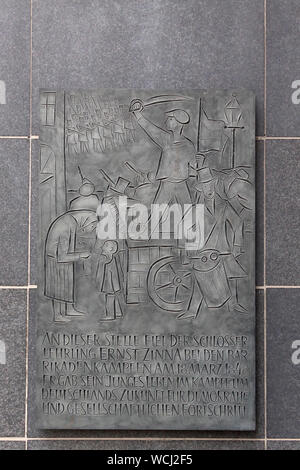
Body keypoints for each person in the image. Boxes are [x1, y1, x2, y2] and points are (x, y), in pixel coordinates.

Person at [44, 210, 98, 322]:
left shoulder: (70, 221)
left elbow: (67, 248)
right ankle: (57, 314)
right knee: (59, 286)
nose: (92, 229)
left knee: (66, 282)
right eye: (93, 226)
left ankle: (68, 309)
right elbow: (62, 256)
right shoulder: (67, 224)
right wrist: (81, 255)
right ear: (89, 221)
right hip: (56, 260)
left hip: (61, 259)